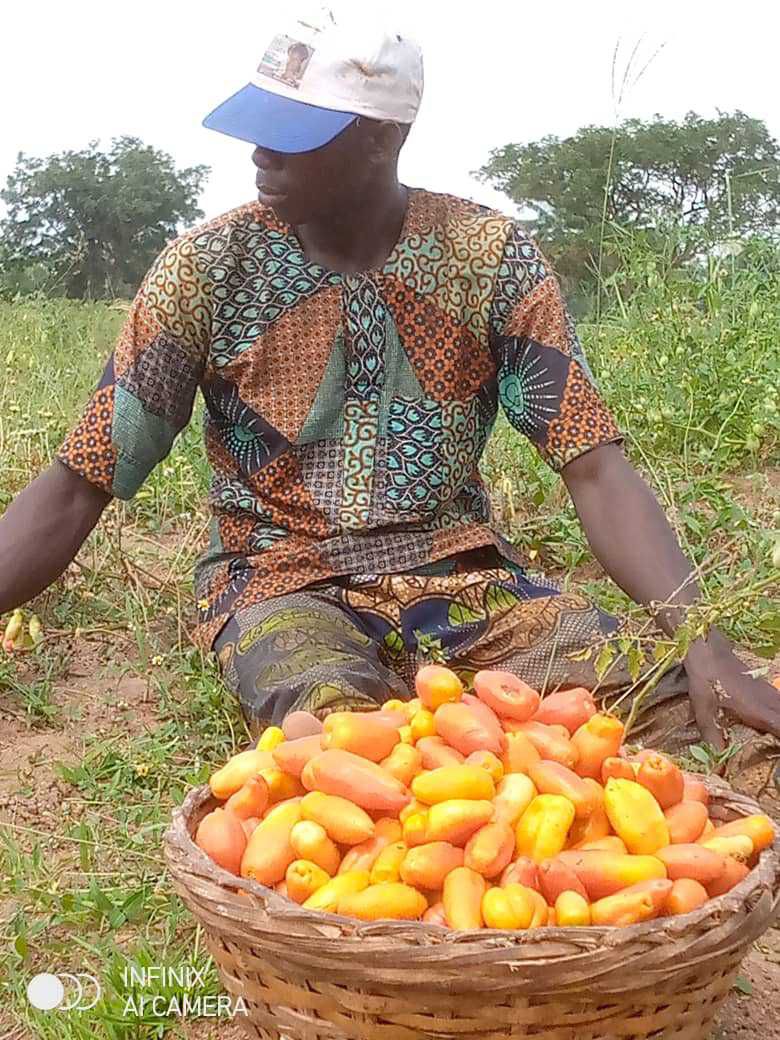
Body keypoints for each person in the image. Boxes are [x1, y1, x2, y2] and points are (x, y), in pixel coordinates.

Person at [1, 13, 778, 761]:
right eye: (260, 128)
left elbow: (596, 467)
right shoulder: (207, 271)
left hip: (467, 582)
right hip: (279, 585)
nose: (262, 155)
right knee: (345, 745)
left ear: (382, 137)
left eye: (294, 135)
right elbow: (78, 483)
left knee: (675, 700)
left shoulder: (488, 259)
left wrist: (702, 642)